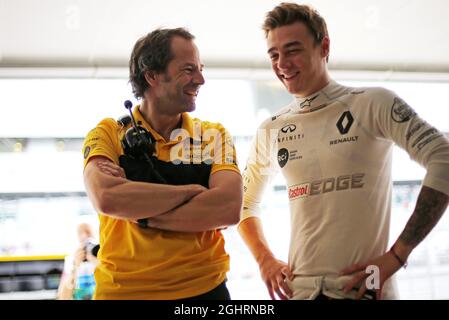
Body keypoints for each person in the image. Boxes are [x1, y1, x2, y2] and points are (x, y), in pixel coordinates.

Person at [238, 2, 449, 300]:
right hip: (300, 293)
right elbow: (244, 204)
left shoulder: (373, 103)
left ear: (324, 46)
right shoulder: (271, 129)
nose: (282, 63)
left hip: (363, 290)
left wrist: (397, 256)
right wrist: (264, 260)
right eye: (274, 54)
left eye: (293, 50)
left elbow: (444, 158)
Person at [82, 28, 242, 300]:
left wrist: (139, 210)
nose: (200, 79)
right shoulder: (108, 132)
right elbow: (108, 198)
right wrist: (192, 192)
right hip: (123, 293)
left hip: (205, 292)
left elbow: (228, 208)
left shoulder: (213, 135)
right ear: (152, 75)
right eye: (188, 70)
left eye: (200, 69)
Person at [57, 223, 99, 300]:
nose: (85, 236)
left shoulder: (103, 258)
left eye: (88, 232)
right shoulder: (71, 261)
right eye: (81, 233)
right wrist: (75, 266)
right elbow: (62, 297)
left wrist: (95, 261)